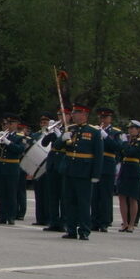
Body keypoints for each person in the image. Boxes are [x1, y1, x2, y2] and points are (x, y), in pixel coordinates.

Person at [53, 103, 102, 241]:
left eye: (76, 113)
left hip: (84, 171)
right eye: (73, 113)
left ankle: (84, 230)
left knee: (83, 203)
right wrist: (62, 138)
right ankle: (71, 229)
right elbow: (56, 147)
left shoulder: (93, 132)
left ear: (84, 115)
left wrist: (95, 175)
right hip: (69, 169)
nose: (73, 115)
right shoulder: (70, 129)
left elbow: (98, 155)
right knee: (69, 202)